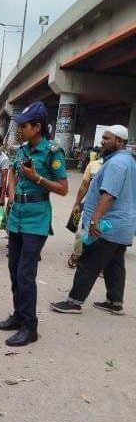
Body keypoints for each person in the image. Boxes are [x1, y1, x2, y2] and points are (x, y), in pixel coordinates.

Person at [0, 101, 68, 346]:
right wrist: (11, 193)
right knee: (14, 270)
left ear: (37, 127)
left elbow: (63, 188)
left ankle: (29, 327)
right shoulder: (21, 149)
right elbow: (13, 172)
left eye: (24, 126)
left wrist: (37, 178)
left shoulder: (52, 151)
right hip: (17, 216)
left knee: (26, 274)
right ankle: (18, 316)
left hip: (37, 218)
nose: (20, 130)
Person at [51, 125, 136, 316]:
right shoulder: (129, 161)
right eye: (103, 138)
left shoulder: (116, 164)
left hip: (107, 224)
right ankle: (115, 302)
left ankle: (74, 302)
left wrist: (94, 220)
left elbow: (109, 195)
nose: (102, 141)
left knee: (89, 261)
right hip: (123, 226)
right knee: (114, 263)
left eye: (107, 138)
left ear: (120, 142)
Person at [67, 153, 103, 267]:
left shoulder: (121, 167)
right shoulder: (93, 165)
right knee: (81, 232)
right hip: (90, 206)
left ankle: (101, 264)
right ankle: (77, 254)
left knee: (103, 234)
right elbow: (84, 186)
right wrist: (77, 204)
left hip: (110, 209)